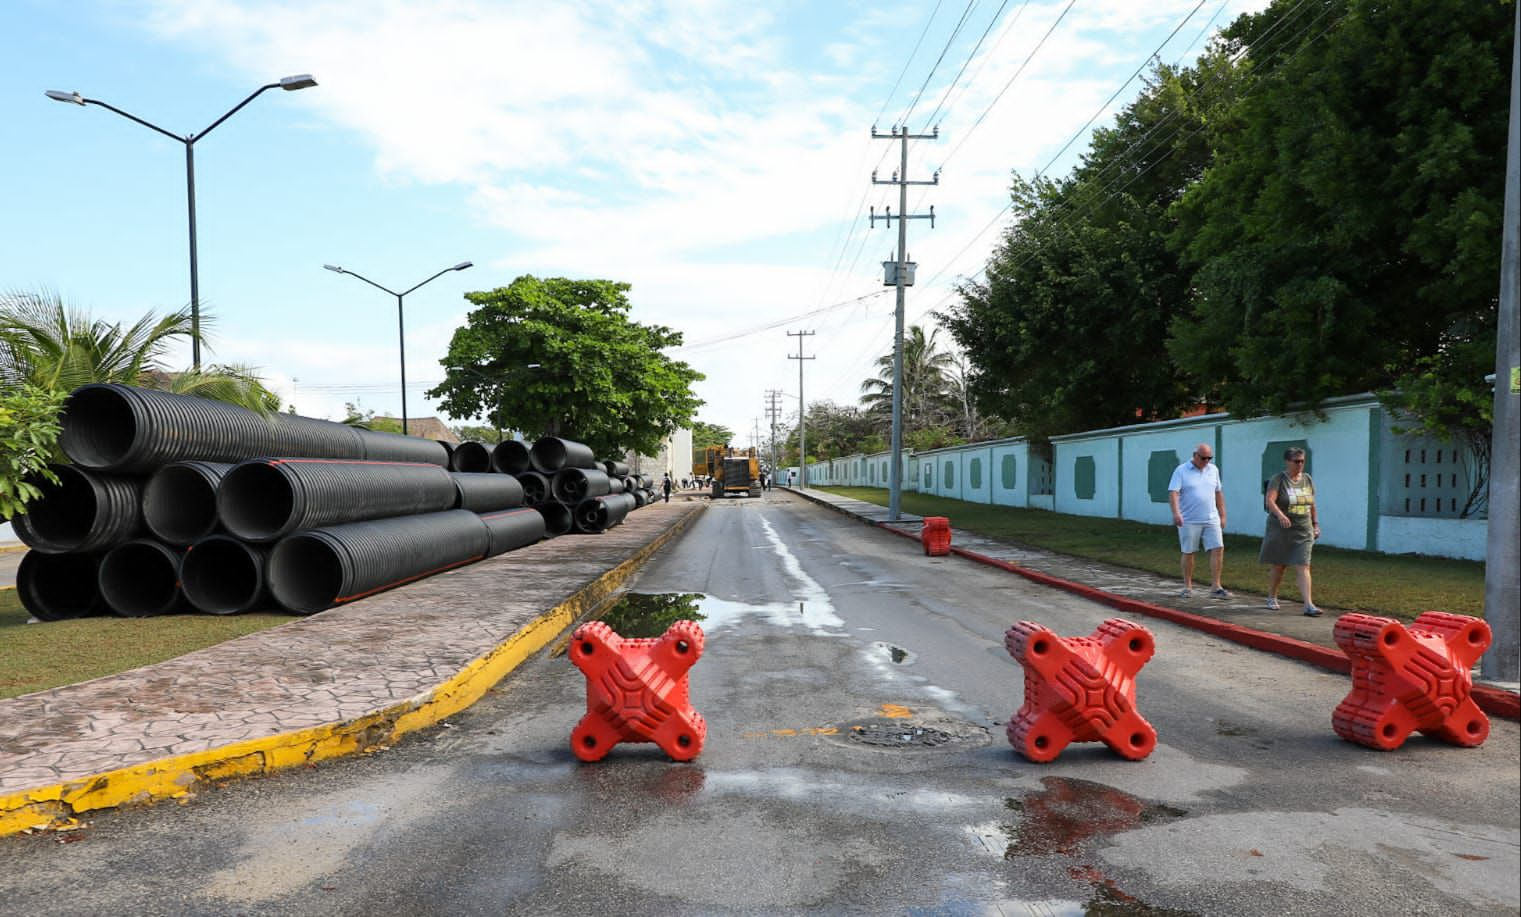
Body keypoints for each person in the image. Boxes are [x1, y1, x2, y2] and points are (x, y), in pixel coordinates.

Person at [1260, 447, 1321, 616]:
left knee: (1303, 564)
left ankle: (1308, 604)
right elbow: (1270, 501)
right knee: (1279, 565)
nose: (1300, 464)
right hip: (1281, 528)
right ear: (1287, 461)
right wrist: (1280, 515)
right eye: (1296, 461)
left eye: (1302, 461)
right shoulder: (1278, 479)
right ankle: (1272, 596)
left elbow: (1312, 503)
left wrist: (1316, 523)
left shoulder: (1307, 479)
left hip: (1303, 528)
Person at [1168, 443, 1229, 599]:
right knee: (1189, 551)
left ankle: (1216, 586)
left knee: (1218, 548)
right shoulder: (1181, 470)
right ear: (1195, 455)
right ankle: (1187, 586)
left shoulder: (1213, 470)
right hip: (1189, 519)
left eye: (1209, 458)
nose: (1206, 461)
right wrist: (1176, 513)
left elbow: (1218, 493)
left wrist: (1222, 515)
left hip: (1211, 517)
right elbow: (1173, 493)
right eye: (1203, 458)